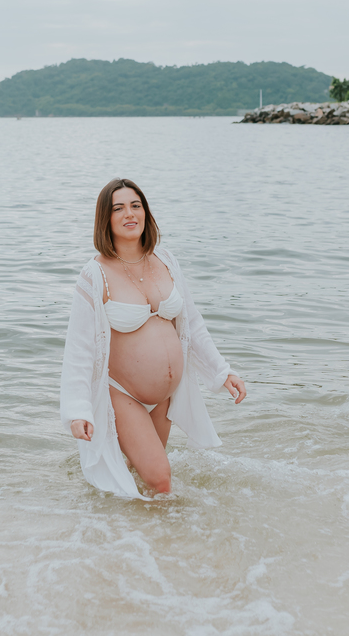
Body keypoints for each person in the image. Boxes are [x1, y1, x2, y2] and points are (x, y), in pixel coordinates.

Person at [60, 178, 247, 499]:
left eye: (136, 205)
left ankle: (127, 524)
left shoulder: (166, 260)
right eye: (118, 208)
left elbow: (192, 323)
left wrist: (222, 371)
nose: (129, 214)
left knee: (144, 478)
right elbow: (80, 348)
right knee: (161, 480)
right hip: (123, 394)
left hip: (165, 397)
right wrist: (78, 411)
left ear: (146, 212)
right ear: (105, 219)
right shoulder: (95, 274)